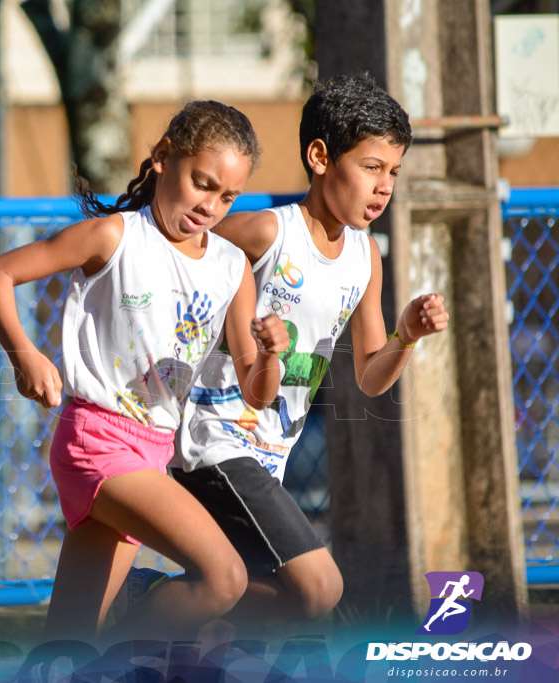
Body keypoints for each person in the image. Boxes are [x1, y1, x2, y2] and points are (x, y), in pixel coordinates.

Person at [119, 73, 450, 628]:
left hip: (273, 451)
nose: (385, 186)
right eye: (371, 167)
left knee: (255, 600)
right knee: (320, 589)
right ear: (320, 157)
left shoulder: (366, 260)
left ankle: (150, 617)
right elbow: (188, 246)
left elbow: (370, 376)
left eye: (393, 171)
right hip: (215, 439)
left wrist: (406, 337)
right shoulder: (269, 232)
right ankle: (136, 603)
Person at [0, 100, 289, 643]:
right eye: (201, 182)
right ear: (164, 157)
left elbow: (256, 395)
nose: (210, 205)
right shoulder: (114, 237)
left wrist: (271, 357)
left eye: (227, 196)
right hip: (95, 441)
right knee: (224, 576)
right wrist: (23, 353)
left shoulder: (233, 268)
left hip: (153, 450)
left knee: (65, 643)